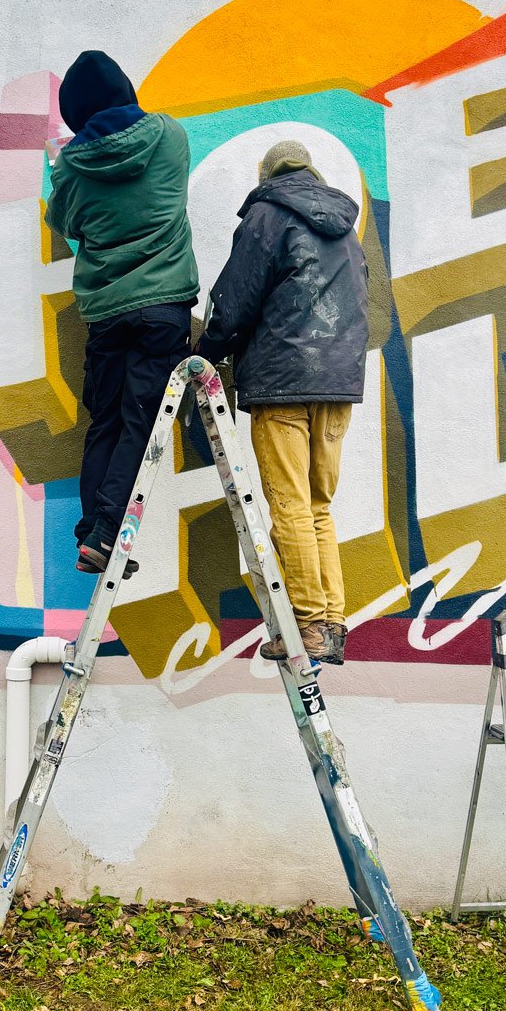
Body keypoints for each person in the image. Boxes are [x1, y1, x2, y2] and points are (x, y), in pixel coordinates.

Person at [197, 139, 368, 665]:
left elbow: (234, 300)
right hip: (338, 382)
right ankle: (332, 623)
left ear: (268, 175)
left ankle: (310, 625)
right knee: (318, 505)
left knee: (289, 505)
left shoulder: (267, 216)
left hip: (283, 382)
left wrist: (205, 353)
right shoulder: (346, 232)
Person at [45, 51, 199, 575]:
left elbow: (64, 223)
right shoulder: (170, 137)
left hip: (107, 309)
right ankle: (108, 530)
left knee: (105, 420)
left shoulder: (69, 167)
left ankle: (94, 530)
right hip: (164, 307)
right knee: (140, 420)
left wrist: (67, 166)